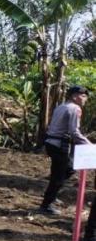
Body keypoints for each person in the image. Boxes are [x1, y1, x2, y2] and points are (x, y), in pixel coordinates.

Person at [40, 85, 91, 215]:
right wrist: (89, 145)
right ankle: (46, 205)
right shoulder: (75, 109)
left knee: (66, 170)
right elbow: (74, 132)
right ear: (74, 96)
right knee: (60, 175)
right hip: (59, 145)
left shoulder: (61, 106)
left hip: (51, 142)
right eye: (83, 96)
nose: (85, 99)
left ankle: (52, 194)